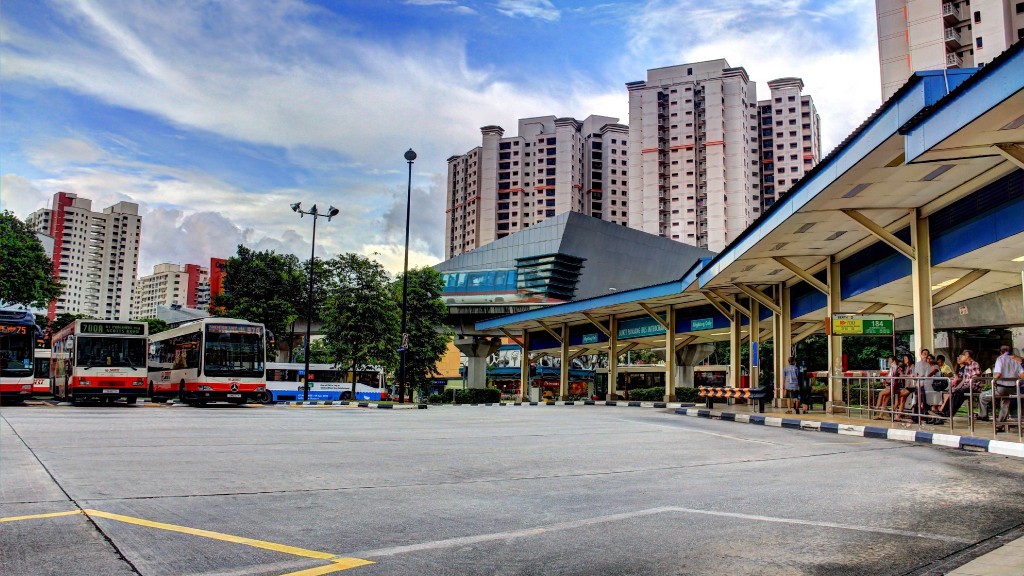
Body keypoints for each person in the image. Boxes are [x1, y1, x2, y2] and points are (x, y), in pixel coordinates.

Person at [934, 350, 980, 420]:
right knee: (954, 392)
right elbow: (964, 379)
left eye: (963, 355)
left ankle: (949, 413)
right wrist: (957, 388)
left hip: (973, 386)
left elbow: (975, 377)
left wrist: (965, 387)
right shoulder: (967, 366)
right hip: (966, 387)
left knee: (958, 393)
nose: (962, 357)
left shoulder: (974, 364)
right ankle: (943, 411)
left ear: (968, 356)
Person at [992, 345, 1023, 433]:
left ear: (1001, 352)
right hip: (1013, 388)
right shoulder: (1015, 361)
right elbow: (1022, 375)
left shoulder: (1000, 359)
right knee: (1005, 403)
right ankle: (1000, 425)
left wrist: (993, 381)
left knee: (983, 396)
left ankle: (982, 416)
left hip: (1001, 388)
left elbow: (998, 374)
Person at [875, 354, 912, 419]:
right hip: (892, 385)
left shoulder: (897, 367)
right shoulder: (892, 368)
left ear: (893, 361)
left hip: (894, 386)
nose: (889, 361)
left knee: (882, 394)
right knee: (886, 399)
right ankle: (881, 414)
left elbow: (902, 375)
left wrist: (908, 376)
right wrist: (885, 380)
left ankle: (877, 408)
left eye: (890, 360)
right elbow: (888, 376)